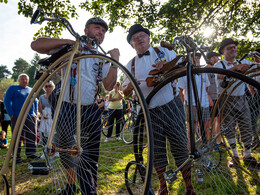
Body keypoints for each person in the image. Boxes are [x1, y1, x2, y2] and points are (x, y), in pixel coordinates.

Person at [31, 17, 119, 195]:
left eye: (103, 31)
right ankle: (71, 186)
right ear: (86, 30)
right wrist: (69, 42)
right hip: (67, 106)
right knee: (67, 150)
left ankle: (89, 190)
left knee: (89, 155)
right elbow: (36, 45)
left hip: (90, 108)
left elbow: (109, 86)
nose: (100, 33)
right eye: (97, 28)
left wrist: (115, 62)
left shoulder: (102, 58)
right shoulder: (70, 48)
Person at [122, 24, 195, 195]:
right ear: (132, 44)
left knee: (180, 146)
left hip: (172, 105)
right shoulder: (130, 65)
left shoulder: (164, 51)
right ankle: (163, 186)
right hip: (149, 113)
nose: (139, 38)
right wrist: (130, 89)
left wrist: (169, 67)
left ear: (148, 38)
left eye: (142, 35)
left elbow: (185, 68)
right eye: (135, 38)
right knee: (157, 151)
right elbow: (125, 91)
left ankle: (189, 186)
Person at [214, 38, 259, 168]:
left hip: (241, 98)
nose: (233, 49)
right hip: (226, 99)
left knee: (246, 124)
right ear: (223, 51)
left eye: (234, 47)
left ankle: (248, 155)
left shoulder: (242, 61)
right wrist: (236, 68)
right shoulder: (220, 65)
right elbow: (221, 76)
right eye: (229, 48)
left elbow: (253, 67)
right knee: (229, 128)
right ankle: (234, 156)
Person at [4, 73, 38, 164]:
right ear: (19, 80)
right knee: (17, 136)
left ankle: (31, 154)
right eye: (22, 79)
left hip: (30, 117)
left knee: (32, 135)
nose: (25, 81)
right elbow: (6, 101)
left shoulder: (31, 90)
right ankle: (16, 157)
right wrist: (11, 114)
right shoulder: (13, 88)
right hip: (17, 116)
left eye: (26, 79)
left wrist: (35, 112)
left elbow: (35, 101)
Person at [178, 53, 211, 141]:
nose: (196, 60)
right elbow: (180, 91)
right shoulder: (184, 74)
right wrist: (182, 104)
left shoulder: (204, 73)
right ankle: (190, 148)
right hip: (191, 104)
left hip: (204, 103)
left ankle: (205, 147)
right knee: (192, 128)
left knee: (205, 127)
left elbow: (206, 88)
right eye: (194, 58)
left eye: (198, 58)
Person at [206, 52, 223, 146]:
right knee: (209, 123)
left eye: (217, 56)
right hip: (210, 98)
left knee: (219, 121)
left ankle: (218, 141)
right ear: (209, 59)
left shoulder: (219, 68)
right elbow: (204, 86)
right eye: (214, 57)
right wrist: (208, 98)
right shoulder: (205, 70)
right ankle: (209, 143)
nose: (217, 58)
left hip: (219, 97)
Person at [38, 81, 55, 151]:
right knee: (44, 134)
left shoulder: (55, 96)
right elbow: (40, 107)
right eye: (46, 86)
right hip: (45, 117)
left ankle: (55, 150)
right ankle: (46, 150)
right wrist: (42, 113)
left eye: (50, 86)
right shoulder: (41, 97)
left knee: (53, 133)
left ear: (53, 87)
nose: (48, 88)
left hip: (53, 116)